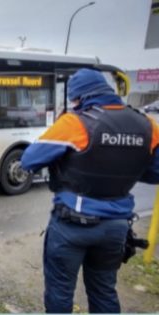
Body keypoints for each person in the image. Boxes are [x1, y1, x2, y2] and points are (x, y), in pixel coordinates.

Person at [21, 68, 159, 313]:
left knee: (60, 293)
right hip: (116, 227)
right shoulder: (147, 124)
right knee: (104, 291)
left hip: (71, 227)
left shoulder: (76, 122)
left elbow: (29, 160)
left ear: (79, 98)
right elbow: (155, 172)